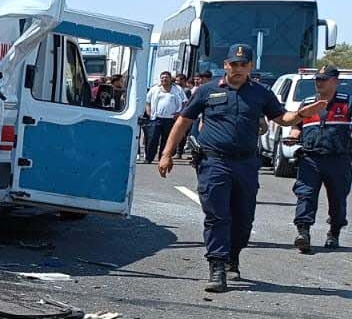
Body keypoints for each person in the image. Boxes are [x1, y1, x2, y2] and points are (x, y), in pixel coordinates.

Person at [158, 43, 325, 292]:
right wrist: (167, 153)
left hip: (246, 164)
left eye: (243, 65)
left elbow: (282, 118)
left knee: (243, 219)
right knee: (217, 216)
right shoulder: (206, 91)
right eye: (233, 64)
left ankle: (232, 257)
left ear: (250, 66)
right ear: (225, 65)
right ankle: (217, 266)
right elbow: (184, 121)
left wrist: (302, 114)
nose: (237, 69)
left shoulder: (260, 93)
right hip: (214, 162)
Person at [292, 67, 350, 253]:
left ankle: (334, 232)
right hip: (311, 158)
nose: (319, 82)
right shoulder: (307, 104)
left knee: (338, 199)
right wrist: (294, 135)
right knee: (305, 195)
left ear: (335, 81)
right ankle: (303, 233)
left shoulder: (347, 103)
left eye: (324, 79)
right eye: (317, 79)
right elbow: (297, 127)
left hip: (338, 159)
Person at [142, 69, 186, 165]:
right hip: (156, 118)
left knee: (166, 140)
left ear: (170, 79)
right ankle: (149, 158)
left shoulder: (178, 89)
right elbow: (147, 101)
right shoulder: (154, 89)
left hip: (171, 119)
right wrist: (148, 111)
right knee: (152, 138)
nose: (164, 79)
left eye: (166, 77)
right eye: (162, 77)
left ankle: (162, 158)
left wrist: (180, 113)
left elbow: (184, 102)